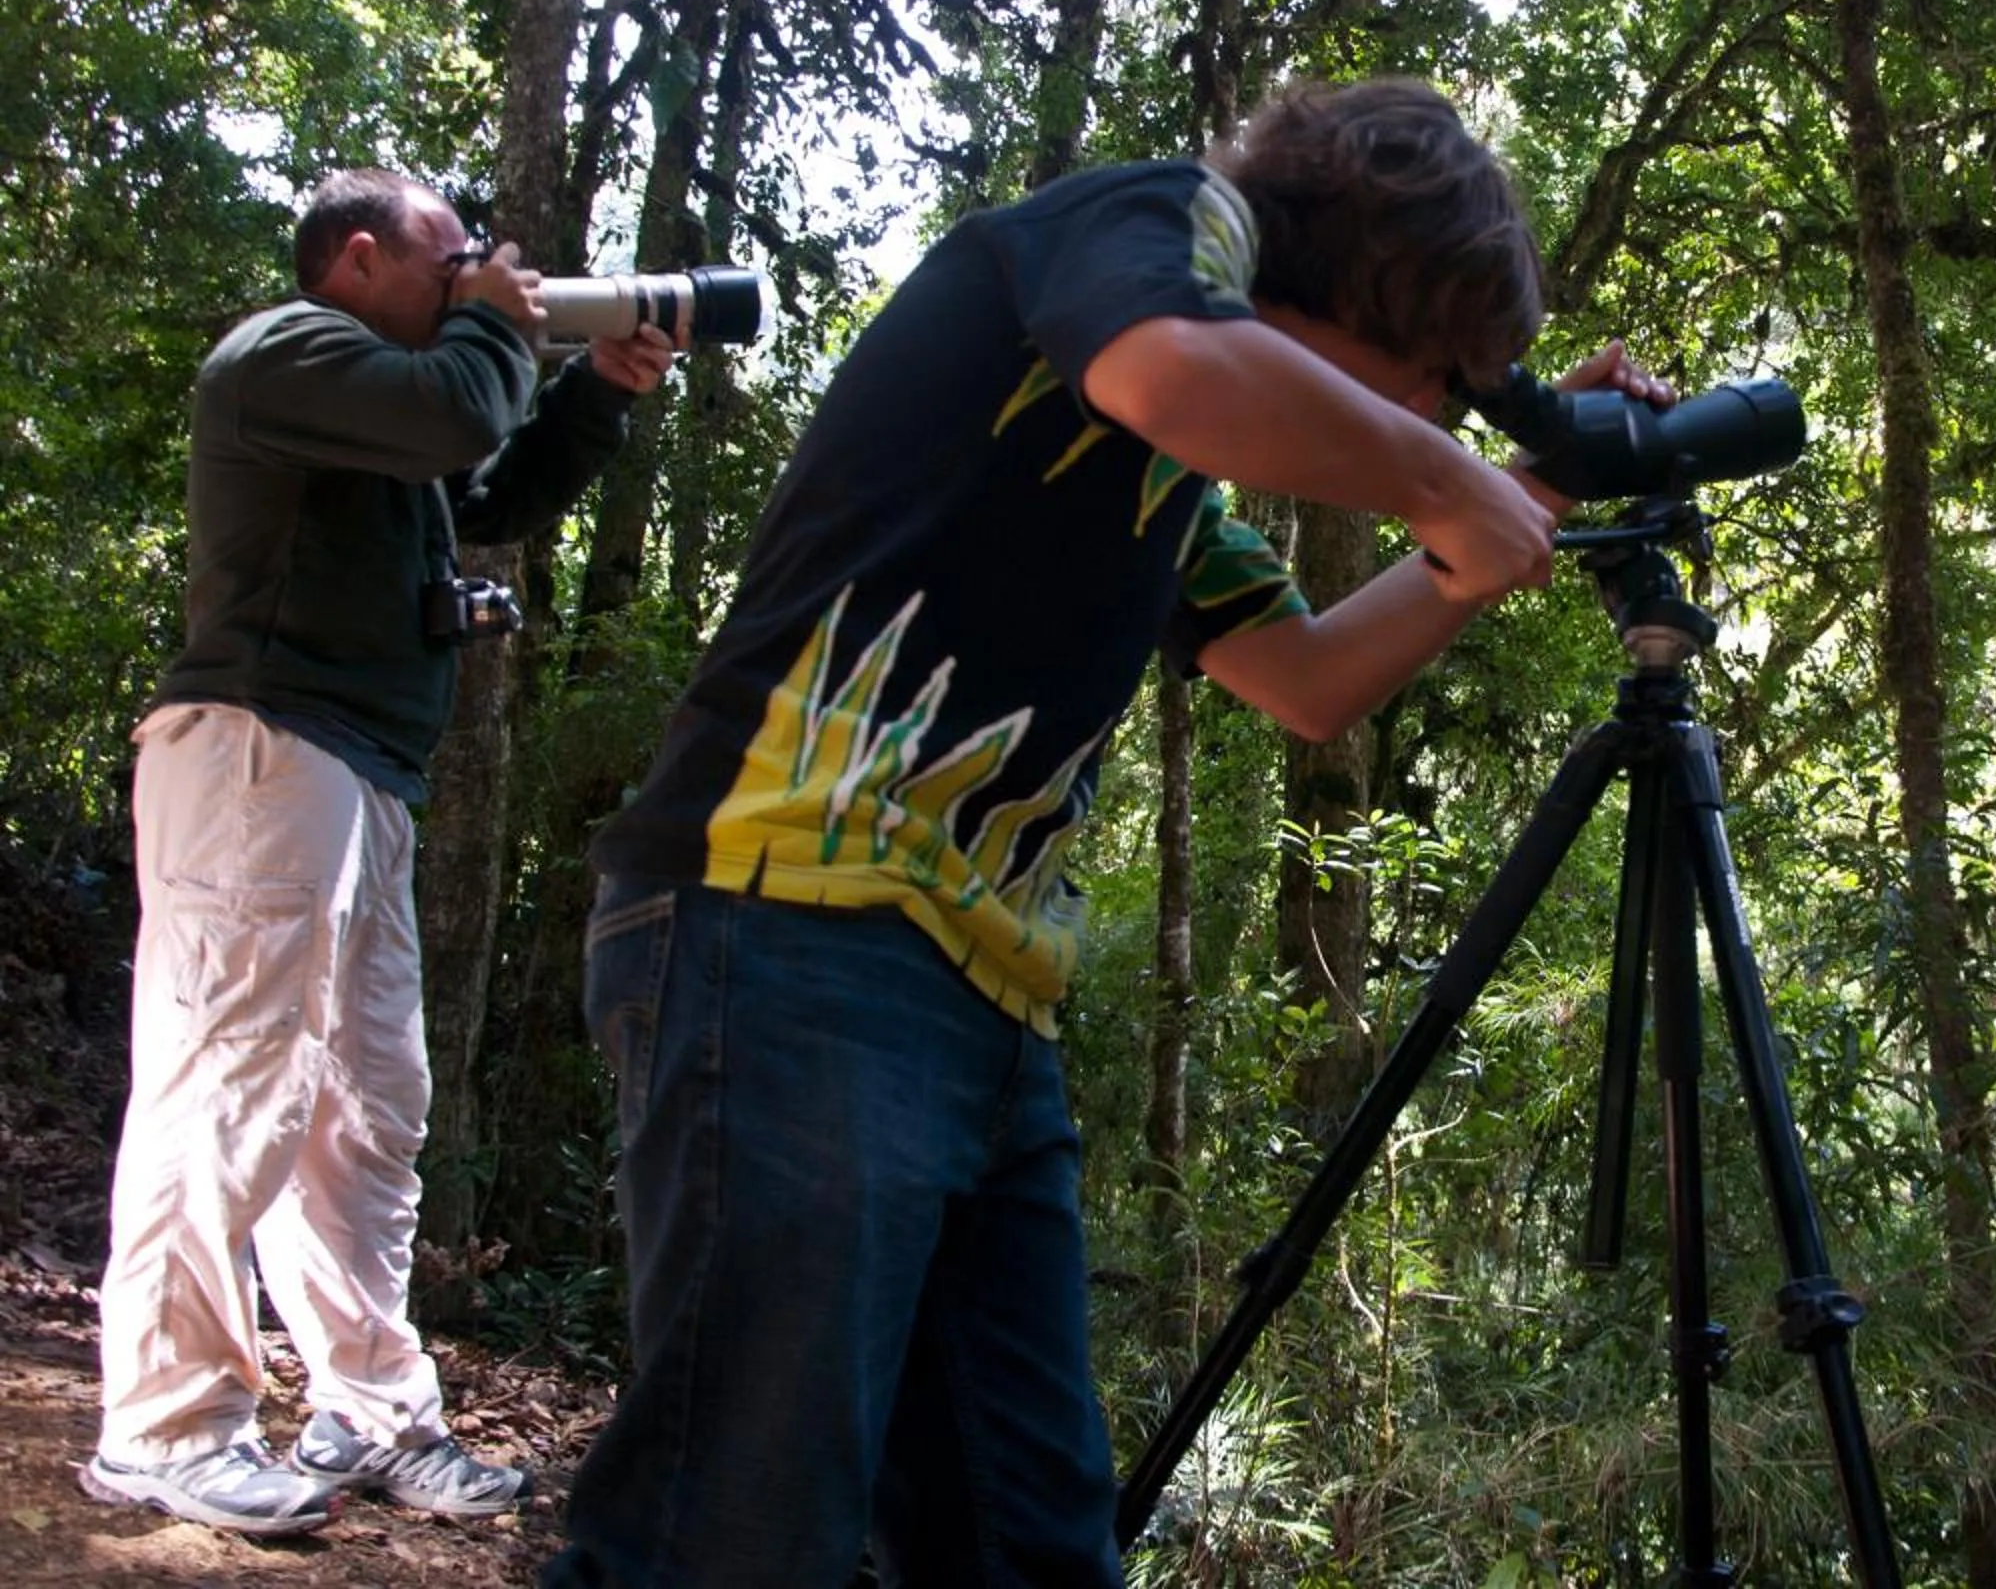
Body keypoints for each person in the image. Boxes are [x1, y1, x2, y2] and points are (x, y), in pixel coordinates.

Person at [544, 78, 1665, 1588]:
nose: (1416, 422)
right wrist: (1442, 478)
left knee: (1029, 1544)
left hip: (985, 1002)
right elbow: (1172, 367)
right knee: (734, 1534)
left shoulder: (1170, 476)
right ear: (1348, 283)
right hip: (784, 916)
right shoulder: (1148, 222)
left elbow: (1309, 677)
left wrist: (1503, 510)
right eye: (1429, 381)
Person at [84, 169, 675, 1535]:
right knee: (229, 1085)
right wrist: (495, 321)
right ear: (356, 260)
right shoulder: (284, 353)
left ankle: (368, 1412)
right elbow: (460, 409)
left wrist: (596, 394)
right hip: (260, 750)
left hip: (357, 773)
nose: (475, 276)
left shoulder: (384, 404)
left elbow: (490, 494)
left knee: (364, 1116)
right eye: (450, 258)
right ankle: (164, 1423)